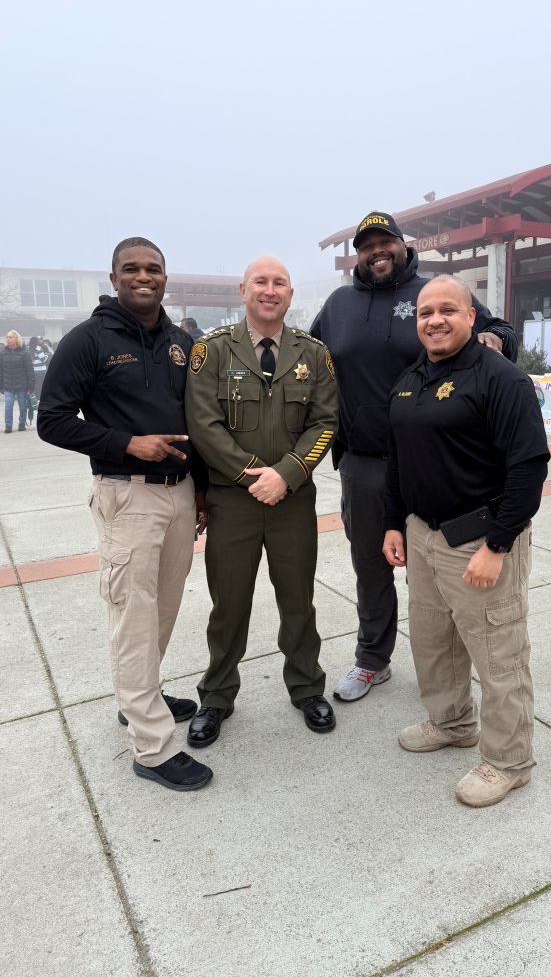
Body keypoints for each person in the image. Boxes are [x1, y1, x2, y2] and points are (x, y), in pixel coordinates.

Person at [309, 211, 519, 703]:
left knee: (447, 565)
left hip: (436, 459)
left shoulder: (433, 295)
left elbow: (501, 329)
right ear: (357, 254)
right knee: (371, 564)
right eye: (367, 245)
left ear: (404, 246)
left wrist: (496, 339)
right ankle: (372, 660)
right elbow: (308, 361)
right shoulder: (339, 304)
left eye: (386, 241)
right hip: (365, 461)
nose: (376, 251)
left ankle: (454, 668)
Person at [37, 237, 212, 793]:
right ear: (114, 277)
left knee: (162, 608)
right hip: (127, 494)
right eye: (132, 269)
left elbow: (199, 422)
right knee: (132, 616)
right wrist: (125, 443)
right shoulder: (88, 340)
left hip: (181, 494)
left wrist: (202, 490)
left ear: (166, 277)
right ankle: (152, 747)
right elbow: (53, 420)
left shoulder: (183, 342)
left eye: (153, 269)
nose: (144, 276)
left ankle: (141, 699)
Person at [382, 276, 549, 807]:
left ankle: (509, 761)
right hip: (423, 535)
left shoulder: (502, 380)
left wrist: (497, 545)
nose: (435, 320)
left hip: (480, 541)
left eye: (448, 310)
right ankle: (452, 723)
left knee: (498, 653)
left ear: (472, 317)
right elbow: (397, 460)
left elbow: (528, 468)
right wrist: (393, 523)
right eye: (426, 312)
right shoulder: (410, 379)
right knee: (433, 642)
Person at [185, 256, 338, 747]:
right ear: (243, 290)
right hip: (234, 502)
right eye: (261, 282)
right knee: (228, 605)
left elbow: (325, 421)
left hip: (292, 501)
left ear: (290, 295)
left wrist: (286, 474)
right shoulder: (211, 351)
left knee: (298, 601)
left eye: (280, 283)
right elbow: (203, 424)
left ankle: (307, 687)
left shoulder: (314, 354)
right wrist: (252, 475)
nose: (270, 290)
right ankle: (216, 695)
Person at [0, 330, 34, 432]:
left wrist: (31, 385)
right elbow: (0, 370)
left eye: (10, 337)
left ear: (16, 339)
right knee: (8, 406)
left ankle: (22, 424)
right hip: (8, 385)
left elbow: (30, 370)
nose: (8, 339)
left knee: (23, 406)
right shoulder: (3, 353)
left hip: (22, 386)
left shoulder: (24, 353)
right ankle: (8, 426)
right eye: (7, 337)